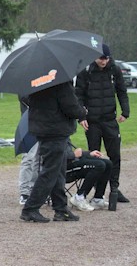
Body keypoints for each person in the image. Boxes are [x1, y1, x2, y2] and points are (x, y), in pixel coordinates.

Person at [20, 81, 88, 223]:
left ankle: (61, 209)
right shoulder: (61, 82)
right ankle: (30, 208)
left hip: (42, 128)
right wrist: (82, 111)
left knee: (58, 171)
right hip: (56, 130)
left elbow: (25, 98)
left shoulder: (36, 81)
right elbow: (70, 107)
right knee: (50, 172)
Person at [75, 43, 130, 204]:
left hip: (109, 120)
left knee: (115, 156)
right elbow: (78, 96)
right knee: (95, 157)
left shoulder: (115, 70)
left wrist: (125, 111)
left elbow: (122, 91)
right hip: (92, 122)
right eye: (101, 58)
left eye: (106, 58)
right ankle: (98, 192)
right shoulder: (85, 71)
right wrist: (81, 117)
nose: (104, 61)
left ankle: (114, 189)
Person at [65, 140, 114, 211]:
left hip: (71, 162)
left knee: (108, 164)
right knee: (99, 165)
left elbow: (73, 153)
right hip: (61, 170)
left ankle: (97, 199)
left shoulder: (62, 135)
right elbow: (52, 156)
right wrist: (73, 155)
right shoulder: (51, 136)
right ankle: (79, 197)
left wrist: (88, 154)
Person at [18, 96, 39, 206]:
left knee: (39, 159)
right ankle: (25, 192)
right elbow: (24, 98)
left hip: (44, 125)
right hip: (28, 125)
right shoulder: (24, 88)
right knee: (28, 158)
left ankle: (34, 189)